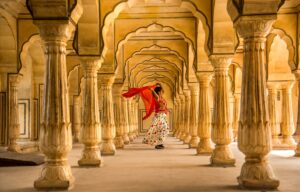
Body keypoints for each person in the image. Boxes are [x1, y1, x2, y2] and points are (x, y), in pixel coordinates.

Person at [122, 83, 169, 149]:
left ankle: (160, 143)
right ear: (158, 92)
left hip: (162, 116)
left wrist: (160, 85)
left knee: (163, 129)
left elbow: (162, 93)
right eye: (161, 91)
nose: (162, 92)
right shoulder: (157, 98)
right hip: (159, 116)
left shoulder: (162, 98)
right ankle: (158, 144)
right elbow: (157, 96)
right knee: (161, 129)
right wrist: (152, 90)